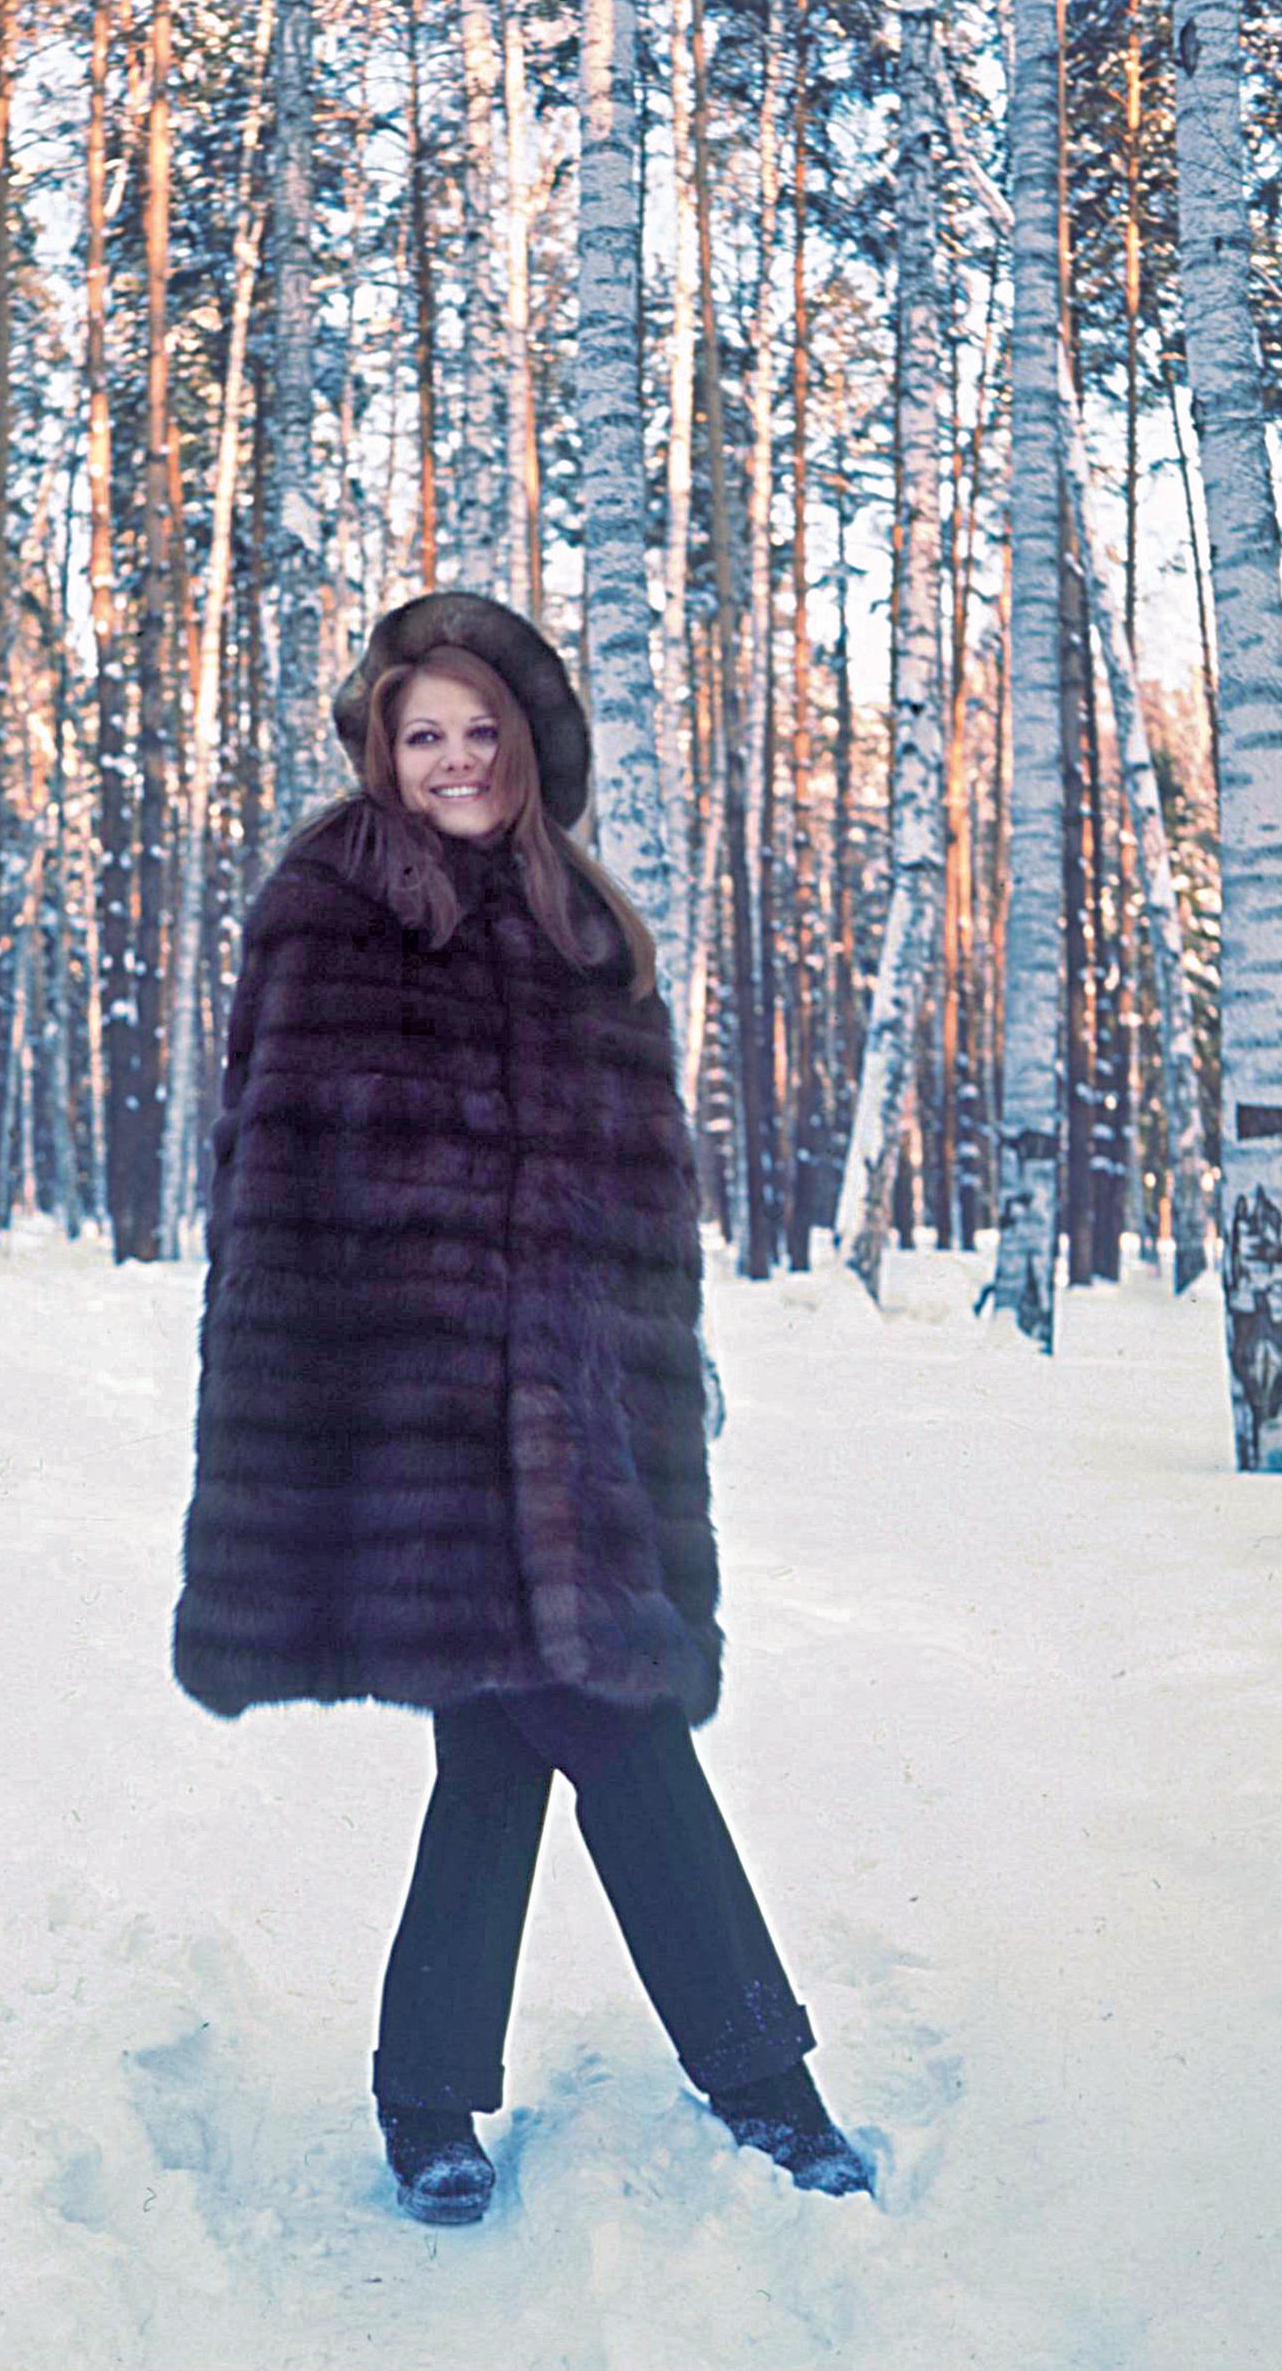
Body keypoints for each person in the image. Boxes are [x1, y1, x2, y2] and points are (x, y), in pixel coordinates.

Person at [173, 592, 871, 2226]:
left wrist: (638, 1389)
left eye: (481, 731)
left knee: (496, 1759)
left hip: (569, 1427)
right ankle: (765, 2086)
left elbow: (640, 1216)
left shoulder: (588, 931)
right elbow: (270, 1195)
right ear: (379, 750)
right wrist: (317, 1415)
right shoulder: (323, 915)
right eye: (424, 735)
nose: (456, 761)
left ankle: (426, 2104)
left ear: (527, 744)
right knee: (613, 1734)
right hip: (418, 1425)